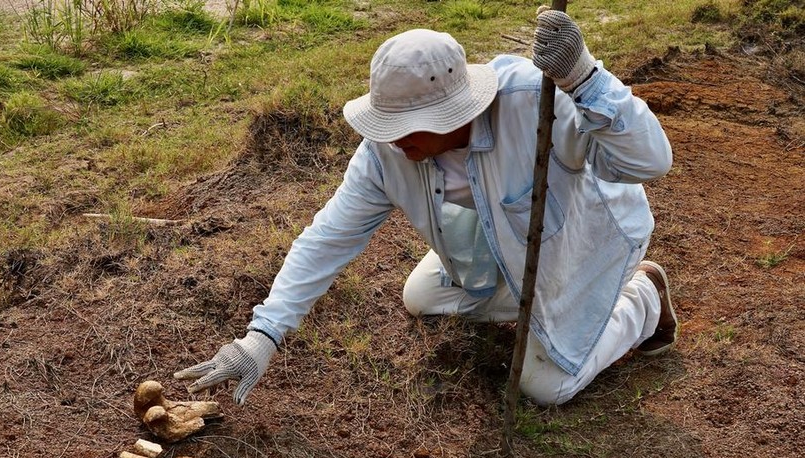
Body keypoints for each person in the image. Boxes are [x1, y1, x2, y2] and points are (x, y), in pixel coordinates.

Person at [174, 8, 678, 407]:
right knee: (421, 298)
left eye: (405, 127)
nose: (392, 141)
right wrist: (263, 336)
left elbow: (650, 160)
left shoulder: (534, 104)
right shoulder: (385, 149)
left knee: (544, 387)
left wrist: (584, 78)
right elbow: (329, 236)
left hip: (584, 248)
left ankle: (642, 300)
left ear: (452, 113)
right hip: (505, 248)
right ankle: (532, 302)